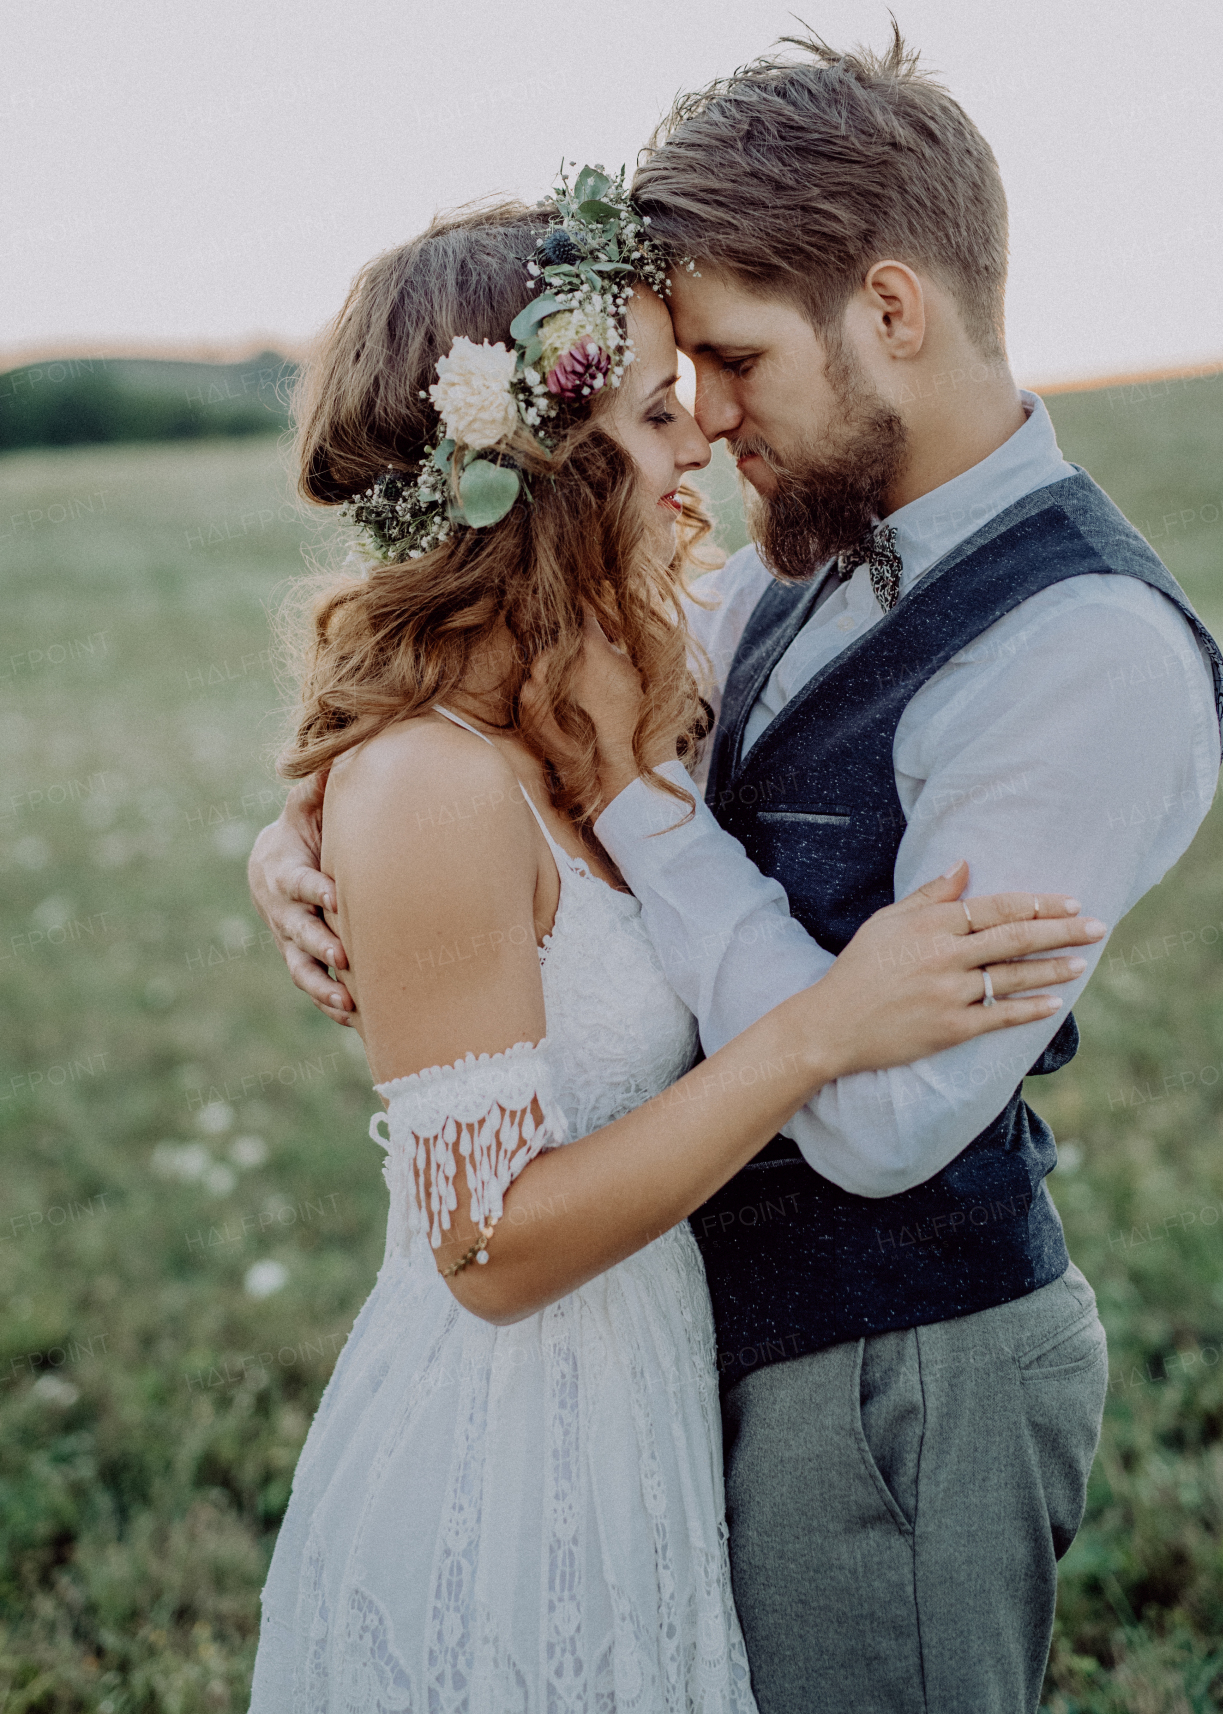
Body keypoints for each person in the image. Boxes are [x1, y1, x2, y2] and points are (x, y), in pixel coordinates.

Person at [245, 169, 1098, 1713]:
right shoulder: (432, 779)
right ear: (541, 464)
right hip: (506, 1456)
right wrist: (824, 1030)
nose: (701, 430)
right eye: (653, 408)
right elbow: (487, 1250)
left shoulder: (596, 698)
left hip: (639, 1397)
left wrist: (284, 841)